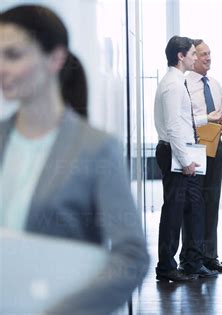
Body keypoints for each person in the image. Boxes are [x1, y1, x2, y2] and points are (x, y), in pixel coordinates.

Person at [0, 5, 149, 315]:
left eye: (13, 55)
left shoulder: (95, 149)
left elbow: (132, 256)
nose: (1, 67)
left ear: (55, 58)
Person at [154, 36, 222, 282]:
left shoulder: (177, 81)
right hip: (177, 153)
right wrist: (184, 160)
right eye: (193, 54)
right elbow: (173, 126)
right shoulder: (173, 85)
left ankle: (193, 263)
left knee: (194, 208)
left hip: (185, 151)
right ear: (180, 56)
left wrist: (209, 118)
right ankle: (166, 267)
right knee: (174, 212)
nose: (196, 58)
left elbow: (185, 120)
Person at [181, 39, 222, 273]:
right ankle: (192, 257)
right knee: (193, 204)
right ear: (192, 57)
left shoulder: (216, 85)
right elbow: (184, 120)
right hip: (194, 148)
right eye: (202, 54)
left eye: (209, 53)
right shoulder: (184, 85)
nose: (207, 58)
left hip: (215, 147)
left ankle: (210, 256)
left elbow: (219, 118)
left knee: (212, 201)